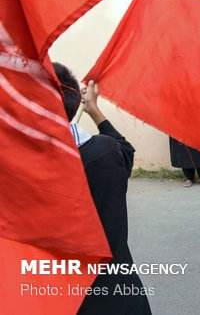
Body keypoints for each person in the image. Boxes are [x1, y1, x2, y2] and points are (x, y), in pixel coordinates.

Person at [54, 63, 151, 315]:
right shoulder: (106, 152)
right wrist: (94, 110)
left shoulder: (20, 167)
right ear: (75, 103)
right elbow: (125, 148)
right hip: (119, 293)